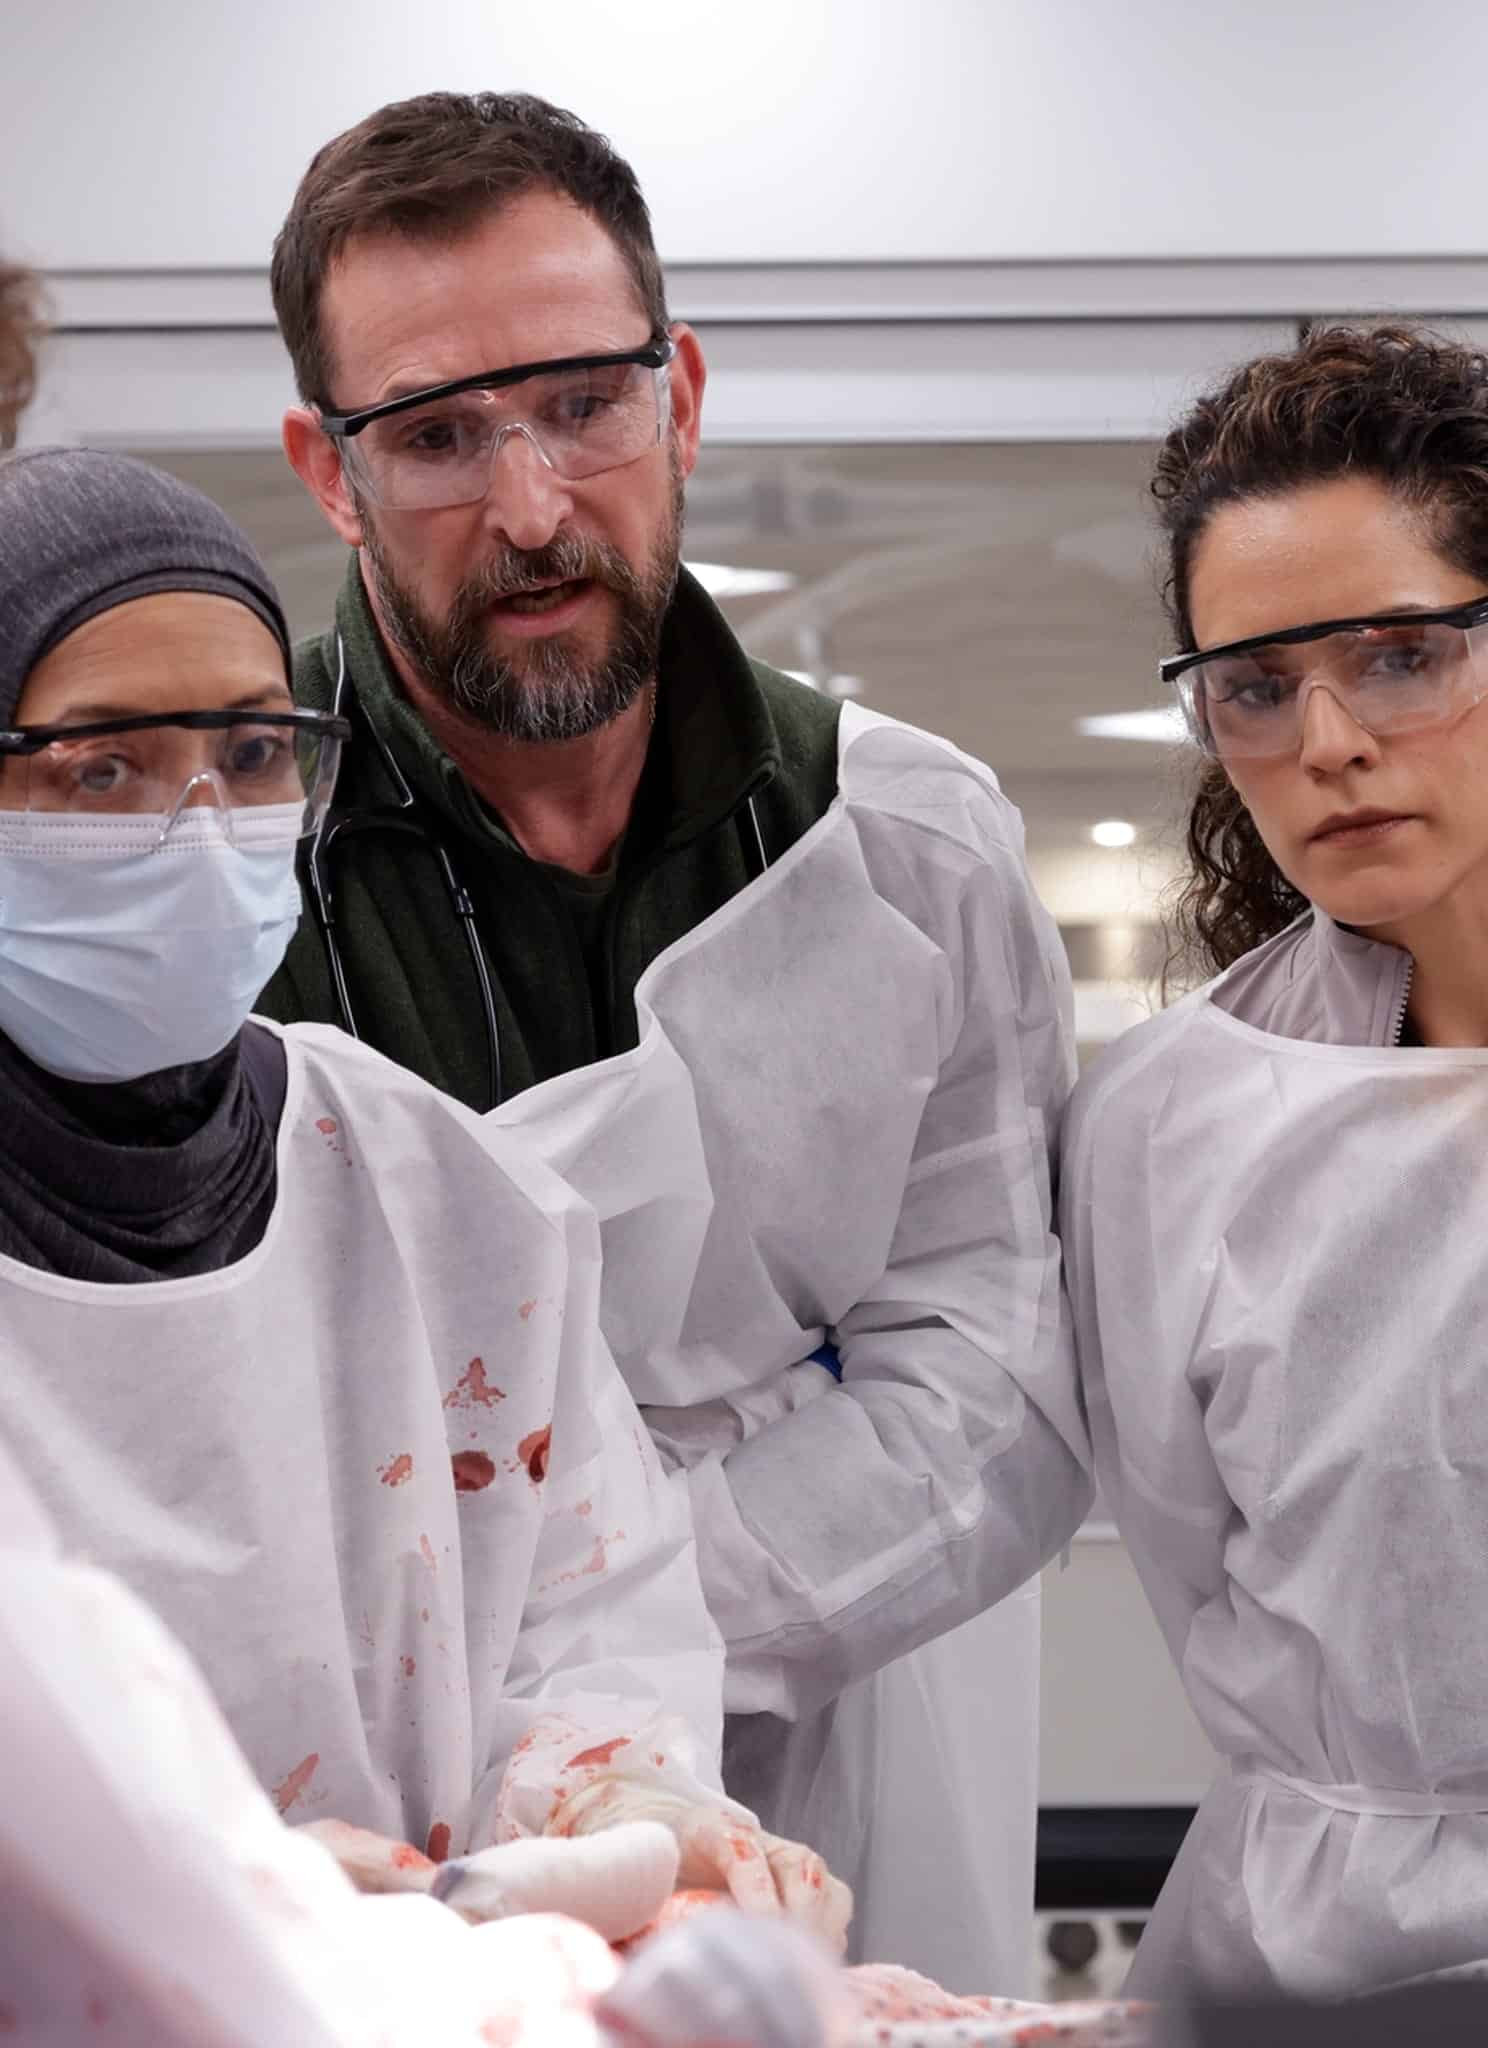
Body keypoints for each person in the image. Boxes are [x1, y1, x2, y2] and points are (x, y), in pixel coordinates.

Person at [260, 90, 1091, 1985]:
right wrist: (526, 1701)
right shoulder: (222, 858)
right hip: (380, 1785)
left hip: (849, 1737)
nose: (532, 507)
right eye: (438, 434)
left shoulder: (901, 839)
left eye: (581, 403)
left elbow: (999, 1378)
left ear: (684, 394)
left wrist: (619, 1634)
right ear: (328, 468)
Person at [0, 443, 845, 1939]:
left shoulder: (434, 1194)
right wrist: (173, 1893)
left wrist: (625, 1816)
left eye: (254, 754)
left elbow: (593, 1627)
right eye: (104, 765)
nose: (201, 827)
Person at [1061, 324, 1488, 1999]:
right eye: (1256, 684)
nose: (1325, 743)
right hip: (1313, 1968)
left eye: (1399, 655)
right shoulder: (1171, 1127)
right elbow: (1191, 1568)